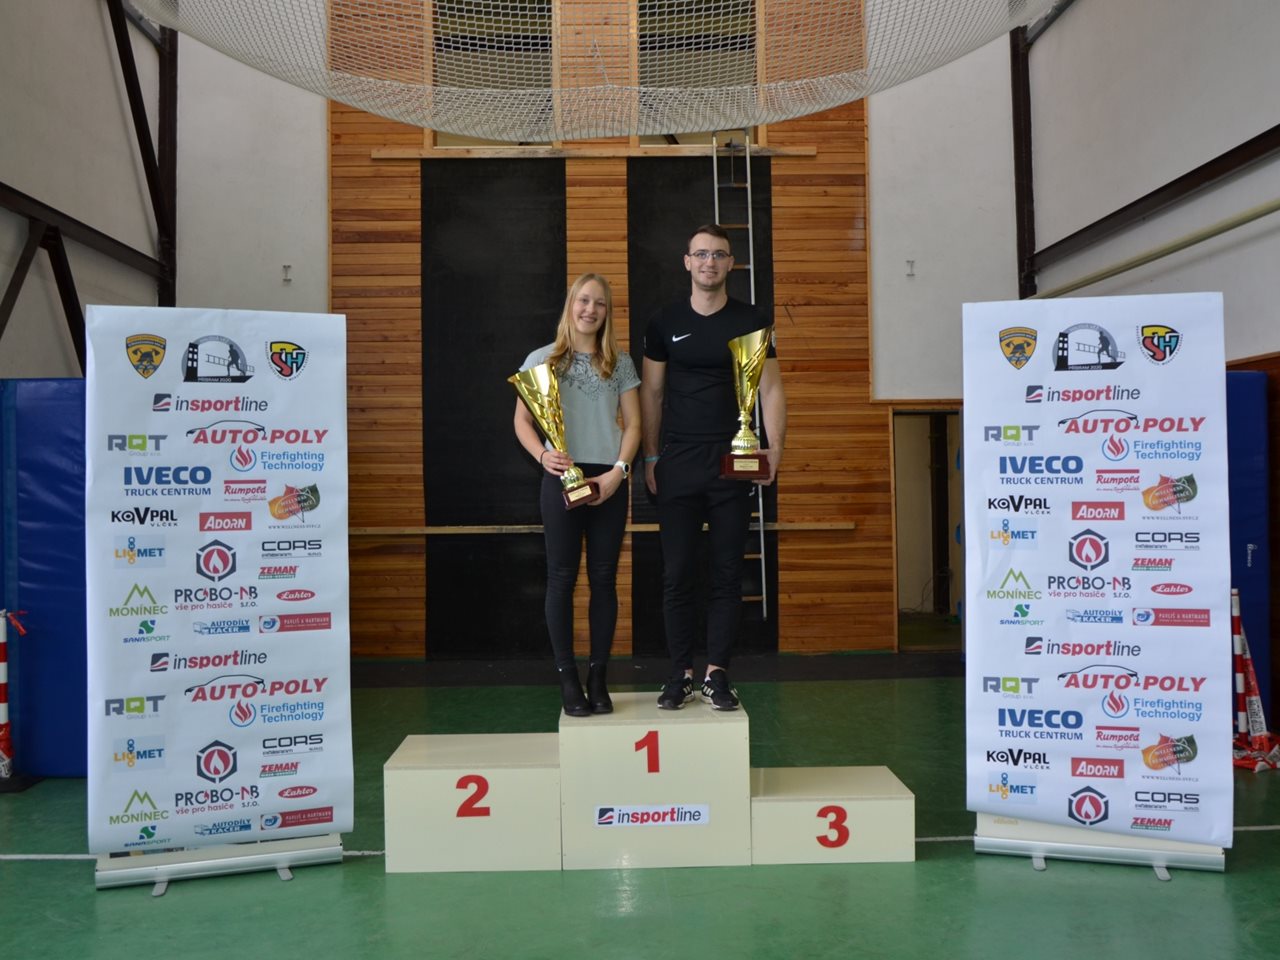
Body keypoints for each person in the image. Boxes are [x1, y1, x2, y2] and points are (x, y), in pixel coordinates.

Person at [640, 224, 786, 711]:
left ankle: (717, 674)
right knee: (678, 573)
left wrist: (774, 452)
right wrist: (652, 457)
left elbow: (770, 389)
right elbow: (652, 393)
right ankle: (680, 674)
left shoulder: (752, 319)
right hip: (678, 461)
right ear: (687, 262)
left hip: (734, 463)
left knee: (726, 573)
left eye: (718, 255)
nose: (709, 262)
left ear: (730, 263)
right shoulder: (663, 321)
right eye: (701, 254)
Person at [514, 273, 641, 717]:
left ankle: (598, 677)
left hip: (608, 481)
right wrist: (542, 456)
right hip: (561, 479)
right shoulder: (542, 359)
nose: (591, 310)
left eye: (599, 303)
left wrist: (619, 472)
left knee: (604, 579)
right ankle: (568, 679)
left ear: (608, 312)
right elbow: (521, 421)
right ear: (571, 305)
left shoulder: (620, 363)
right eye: (584, 301)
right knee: (562, 578)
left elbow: (635, 425)